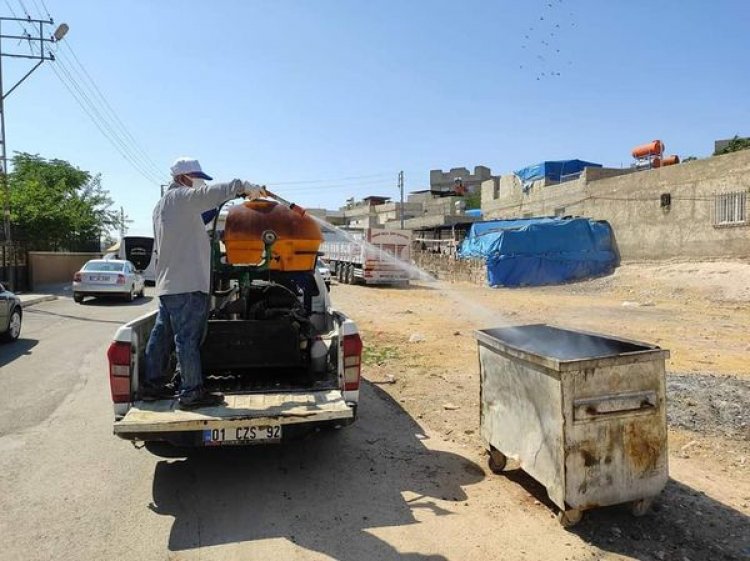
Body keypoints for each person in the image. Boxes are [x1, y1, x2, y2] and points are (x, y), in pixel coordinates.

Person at [141, 157, 265, 409]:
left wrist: (230, 200)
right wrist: (241, 186)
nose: (199, 183)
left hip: (170, 284)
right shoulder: (181, 198)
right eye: (197, 178)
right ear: (183, 178)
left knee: (162, 335)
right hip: (186, 284)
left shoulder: (164, 205)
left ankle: (152, 385)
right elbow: (211, 194)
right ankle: (191, 392)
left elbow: (203, 214)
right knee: (186, 339)